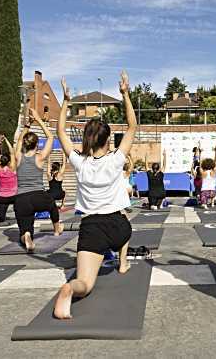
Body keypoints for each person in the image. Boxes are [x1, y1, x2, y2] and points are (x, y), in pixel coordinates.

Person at [53, 71, 137, 319]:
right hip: (117, 225)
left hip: (91, 227)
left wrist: (66, 101)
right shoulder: (115, 160)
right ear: (108, 139)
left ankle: (70, 289)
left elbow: (60, 132)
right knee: (126, 226)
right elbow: (133, 126)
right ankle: (122, 263)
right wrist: (125, 94)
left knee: (85, 283)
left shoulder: (81, 163)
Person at [13, 108, 63, 251]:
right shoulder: (39, 158)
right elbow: (51, 138)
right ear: (36, 145)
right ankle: (56, 228)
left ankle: (27, 236)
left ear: (24, 145)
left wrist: (27, 125)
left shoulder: (18, 156)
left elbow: (19, 141)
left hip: (21, 199)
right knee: (52, 205)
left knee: (25, 229)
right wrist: (38, 119)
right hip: (38, 196)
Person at [0, 134, 18, 224]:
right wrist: (6, 139)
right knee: (21, 213)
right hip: (14, 196)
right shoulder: (12, 169)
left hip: (2, 197)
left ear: (0, 162)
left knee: (1, 218)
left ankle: (0, 217)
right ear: (9, 161)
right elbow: (12, 153)